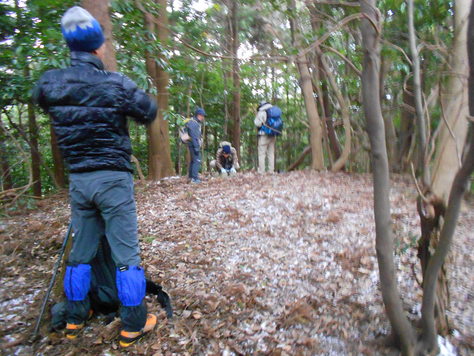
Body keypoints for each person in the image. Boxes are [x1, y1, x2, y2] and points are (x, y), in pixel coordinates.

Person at [33, 6, 158, 348]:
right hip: (113, 180)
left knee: (81, 253)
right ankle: (133, 324)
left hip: (80, 182)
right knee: (126, 255)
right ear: (98, 47)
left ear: (69, 47)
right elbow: (148, 110)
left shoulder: (51, 83)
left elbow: (41, 99)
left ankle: (75, 317)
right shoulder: (116, 84)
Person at [254, 100, 281, 173]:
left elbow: (257, 124)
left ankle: (261, 171)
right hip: (273, 135)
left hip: (263, 135)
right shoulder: (274, 111)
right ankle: (271, 170)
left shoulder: (261, 112)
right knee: (271, 153)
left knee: (262, 154)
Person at [186, 108, 205, 183]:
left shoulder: (193, 122)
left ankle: (191, 177)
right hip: (193, 144)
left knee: (193, 160)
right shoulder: (193, 123)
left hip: (192, 144)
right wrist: (196, 147)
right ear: (199, 115)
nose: (203, 117)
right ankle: (194, 178)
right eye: (202, 116)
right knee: (197, 160)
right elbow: (194, 136)